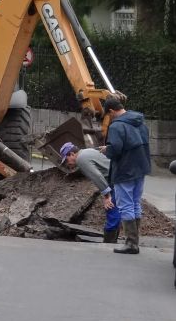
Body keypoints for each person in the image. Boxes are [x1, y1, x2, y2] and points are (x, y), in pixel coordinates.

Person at [102, 96, 151, 254]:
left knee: (125, 205)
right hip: (141, 168)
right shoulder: (140, 121)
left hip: (125, 170)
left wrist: (106, 150)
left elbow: (115, 149)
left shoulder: (117, 126)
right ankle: (135, 241)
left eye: (108, 115)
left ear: (111, 111)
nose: (109, 119)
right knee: (136, 203)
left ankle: (131, 243)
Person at [59, 141, 121, 243]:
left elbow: (97, 176)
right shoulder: (87, 151)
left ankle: (109, 242)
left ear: (72, 154)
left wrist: (107, 196)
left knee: (111, 208)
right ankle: (114, 239)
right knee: (118, 209)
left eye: (66, 160)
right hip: (119, 177)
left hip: (115, 180)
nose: (67, 164)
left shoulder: (81, 159)